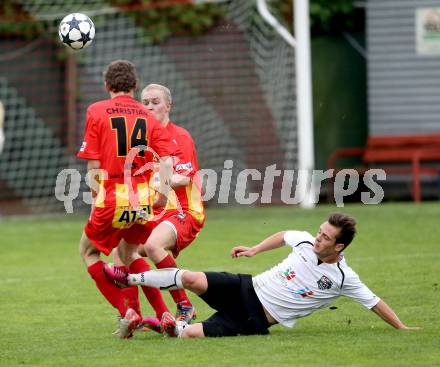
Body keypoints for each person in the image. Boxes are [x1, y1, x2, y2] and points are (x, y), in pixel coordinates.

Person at [105, 212, 421, 338]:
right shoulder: (306, 240)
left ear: (338, 246)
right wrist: (255, 249)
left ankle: (148, 323)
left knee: (186, 335)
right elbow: (284, 234)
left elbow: (374, 302)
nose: (317, 238)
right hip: (245, 286)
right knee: (189, 277)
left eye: (325, 237)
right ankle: (128, 278)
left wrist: (402, 327)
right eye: (319, 231)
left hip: (254, 318)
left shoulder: (342, 277)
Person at [77, 60, 178, 339]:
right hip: (143, 196)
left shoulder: (96, 111)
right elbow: (166, 159)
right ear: (134, 86)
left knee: (88, 252)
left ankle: (127, 311)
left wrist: (97, 198)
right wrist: (163, 193)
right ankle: (163, 313)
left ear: (107, 85)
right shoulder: (147, 116)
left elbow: (94, 164)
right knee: (129, 253)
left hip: (113, 194)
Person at [112, 83, 205, 336]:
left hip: (184, 209)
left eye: (155, 101)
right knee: (122, 253)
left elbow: (185, 178)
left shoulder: (180, 136)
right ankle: (134, 315)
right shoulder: (141, 140)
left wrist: (158, 181)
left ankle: (184, 306)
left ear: (168, 105)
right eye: (145, 102)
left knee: (152, 246)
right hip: (156, 211)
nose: (149, 106)